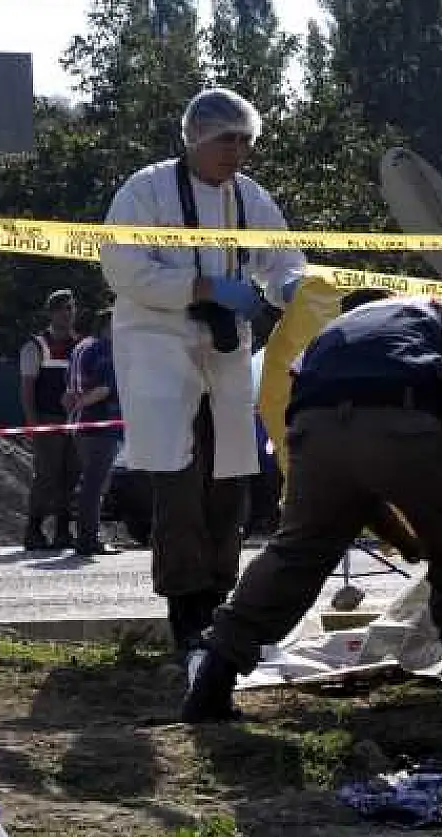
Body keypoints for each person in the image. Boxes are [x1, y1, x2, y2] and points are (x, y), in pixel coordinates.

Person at [178, 291, 442, 726]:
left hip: (315, 431)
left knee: (296, 556)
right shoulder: (426, 308)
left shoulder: (328, 337)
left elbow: (357, 490)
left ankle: (212, 684)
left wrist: (406, 543)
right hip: (403, 418)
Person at [99, 87, 310, 656]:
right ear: (196, 138)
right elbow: (123, 267)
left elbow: (283, 258)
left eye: (246, 141)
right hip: (159, 344)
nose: (237, 152)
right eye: (226, 140)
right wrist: (199, 286)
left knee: (230, 479)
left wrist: (291, 289)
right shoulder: (145, 191)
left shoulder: (249, 197)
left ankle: (223, 600)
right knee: (178, 481)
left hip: (226, 350)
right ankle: (186, 608)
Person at [18, 289, 82, 551]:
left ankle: (63, 532)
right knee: (46, 476)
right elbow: (27, 388)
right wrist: (32, 422)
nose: (67, 313)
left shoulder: (80, 344)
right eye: (62, 308)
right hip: (47, 420)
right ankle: (33, 531)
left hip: (75, 421)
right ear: (51, 312)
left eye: (70, 308)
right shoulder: (35, 346)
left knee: (71, 475)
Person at [63, 309, 124, 557]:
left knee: (90, 481)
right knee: (96, 483)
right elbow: (103, 388)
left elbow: (69, 388)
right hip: (100, 424)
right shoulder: (105, 351)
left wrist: (75, 405)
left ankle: (85, 534)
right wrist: (84, 402)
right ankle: (88, 538)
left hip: (81, 425)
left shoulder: (81, 347)